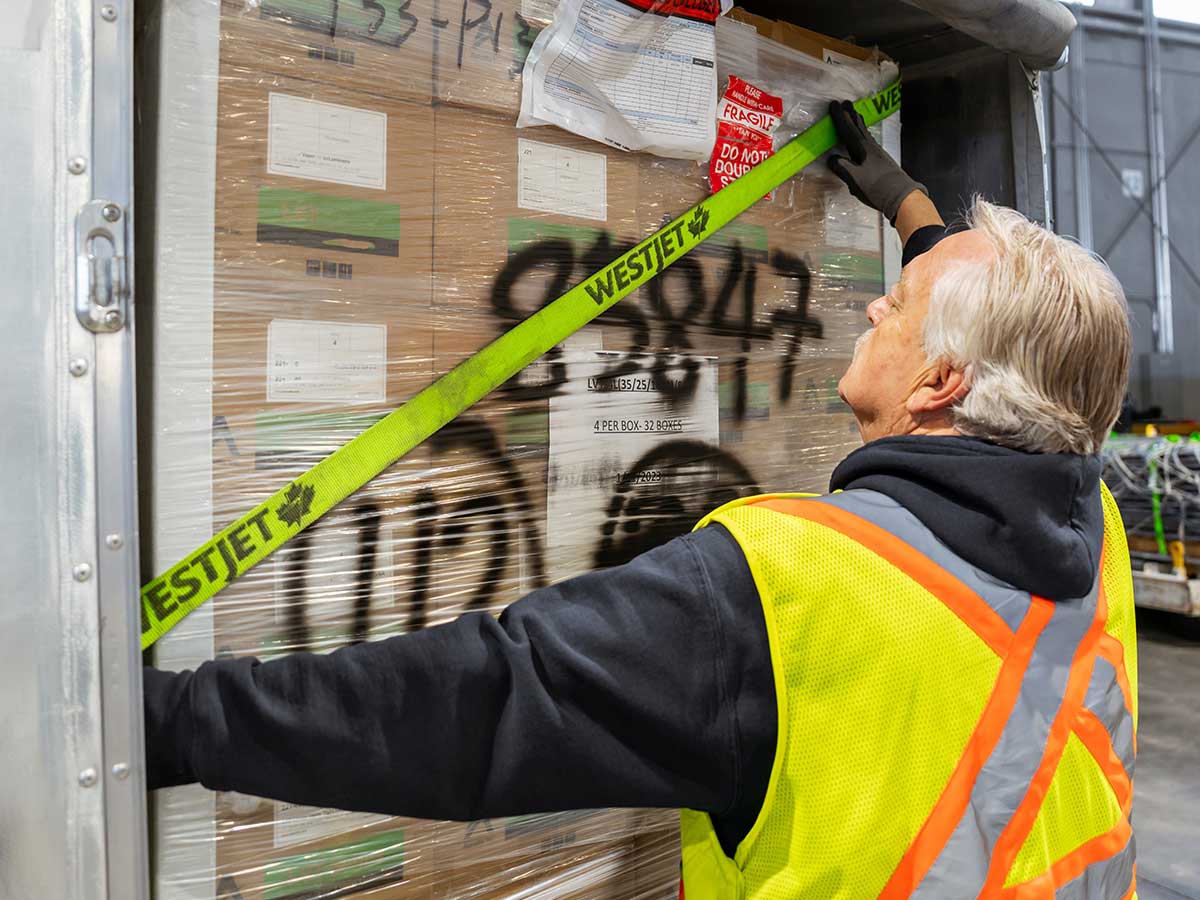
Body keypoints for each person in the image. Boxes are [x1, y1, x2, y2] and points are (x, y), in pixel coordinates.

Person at [144, 101, 1139, 898]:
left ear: (939, 383)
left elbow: (473, 703)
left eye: (901, 305)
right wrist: (904, 201)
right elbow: (986, 319)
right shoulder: (1090, 537)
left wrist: (176, 721)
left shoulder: (784, 589)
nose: (878, 302)